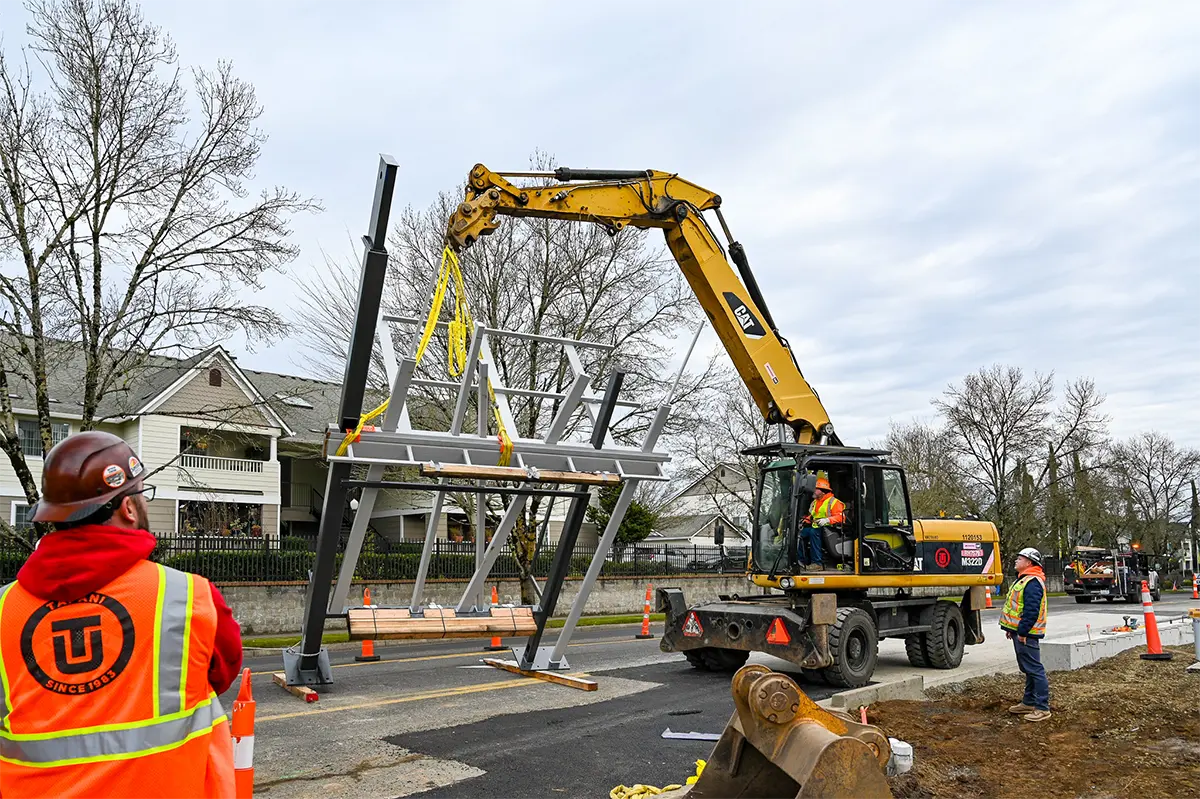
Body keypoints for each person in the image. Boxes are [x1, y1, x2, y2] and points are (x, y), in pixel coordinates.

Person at [0, 431, 243, 797]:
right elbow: (221, 674)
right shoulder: (189, 597)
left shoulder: (4, 608)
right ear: (128, 508)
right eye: (141, 493)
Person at [1000, 546, 1051, 723]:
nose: (1016, 560)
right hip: (1022, 632)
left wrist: (1022, 631)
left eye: (1020, 558)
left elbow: (1031, 611)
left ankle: (1042, 708)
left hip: (1027, 634)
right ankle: (1029, 702)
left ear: (1029, 563)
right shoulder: (1024, 580)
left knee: (1034, 669)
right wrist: (1012, 629)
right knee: (1028, 668)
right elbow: (1017, 608)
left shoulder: (1032, 582)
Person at [797, 476, 846, 572]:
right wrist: (805, 521)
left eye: (816, 489)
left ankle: (817, 563)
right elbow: (812, 516)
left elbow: (841, 517)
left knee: (813, 532)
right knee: (800, 534)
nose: (814, 491)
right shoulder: (815, 502)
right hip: (817, 527)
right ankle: (802, 561)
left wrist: (827, 520)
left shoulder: (834, 502)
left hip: (831, 528)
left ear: (823, 491)